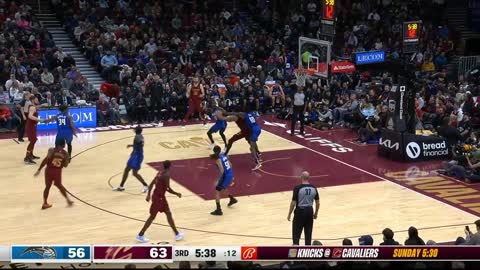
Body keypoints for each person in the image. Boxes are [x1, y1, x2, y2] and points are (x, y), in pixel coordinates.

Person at [136, 160, 185, 243]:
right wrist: (177, 193)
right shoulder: (166, 175)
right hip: (159, 199)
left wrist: (148, 195)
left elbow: (151, 184)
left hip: (157, 197)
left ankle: (177, 234)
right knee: (152, 217)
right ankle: (140, 235)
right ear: (169, 166)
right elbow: (168, 188)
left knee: (168, 214)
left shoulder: (159, 173)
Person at [33, 139, 74, 209]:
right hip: (57, 171)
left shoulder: (51, 150)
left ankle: (45, 203)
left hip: (48, 170)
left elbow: (45, 160)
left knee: (47, 187)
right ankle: (68, 200)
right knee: (60, 186)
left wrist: (39, 170)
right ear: (64, 145)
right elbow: (65, 165)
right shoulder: (66, 154)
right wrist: (66, 160)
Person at [287, 171, 319, 245]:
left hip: (300, 211)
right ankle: (307, 250)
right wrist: (316, 213)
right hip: (310, 211)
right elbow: (317, 202)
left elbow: (293, 203)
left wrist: (289, 214)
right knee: (308, 233)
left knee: (296, 233)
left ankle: (295, 248)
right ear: (309, 178)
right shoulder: (314, 188)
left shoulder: (297, 188)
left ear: (301, 177)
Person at [113, 126, 149, 192]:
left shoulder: (137, 136)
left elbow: (141, 144)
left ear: (136, 130)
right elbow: (140, 144)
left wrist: (135, 147)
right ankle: (121, 186)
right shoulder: (140, 136)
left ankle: (145, 185)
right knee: (126, 170)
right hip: (135, 155)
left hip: (137, 156)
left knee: (134, 173)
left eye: (135, 129)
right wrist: (132, 146)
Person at [210, 146, 237, 216]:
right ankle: (232, 199)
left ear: (214, 151)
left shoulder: (218, 159)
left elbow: (222, 171)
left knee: (217, 191)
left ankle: (219, 210)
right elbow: (231, 165)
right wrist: (231, 176)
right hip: (230, 174)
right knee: (223, 188)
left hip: (225, 176)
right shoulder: (224, 155)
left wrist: (220, 179)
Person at [24, 95, 43, 165]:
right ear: (33, 100)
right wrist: (39, 119)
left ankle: (31, 155)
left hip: (32, 126)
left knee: (33, 140)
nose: (37, 100)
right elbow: (30, 116)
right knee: (32, 141)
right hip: (30, 126)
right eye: (36, 99)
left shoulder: (33, 106)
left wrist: (41, 106)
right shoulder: (32, 107)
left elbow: (36, 108)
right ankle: (27, 157)